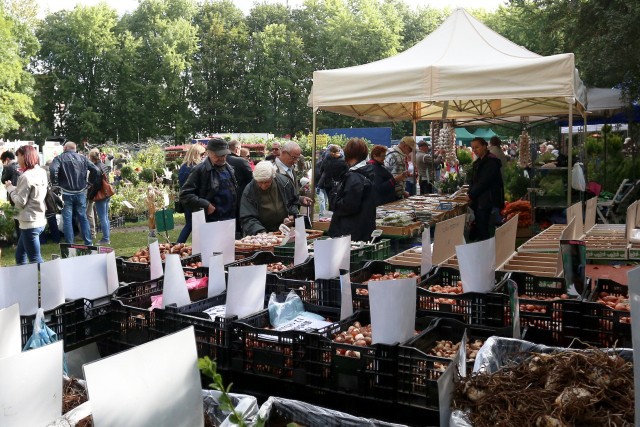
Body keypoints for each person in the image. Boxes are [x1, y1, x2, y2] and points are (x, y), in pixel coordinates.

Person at [49, 141, 101, 245]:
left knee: (67, 219)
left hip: (66, 192)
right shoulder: (83, 158)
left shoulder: (59, 158)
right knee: (83, 217)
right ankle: (88, 242)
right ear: (75, 148)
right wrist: (90, 183)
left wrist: (55, 184)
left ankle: (70, 245)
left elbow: (53, 169)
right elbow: (96, 170)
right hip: (80, 191)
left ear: (65, 148)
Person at [5, 145, 48, 264]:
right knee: (20, 257)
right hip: (38, 219)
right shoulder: (41, 171)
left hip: (30, 223)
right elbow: (31, 194)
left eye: (18, 156)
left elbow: (20, 202)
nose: (17, 159)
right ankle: (23, 281)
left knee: (35, 260)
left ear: (25, 157)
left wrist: (10, 189)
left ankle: (50, 280)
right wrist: (15, 189)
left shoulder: (26, 176)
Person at [328, 138, 376, 241]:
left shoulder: (354, 177)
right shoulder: (366, 172)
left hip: (350, 232)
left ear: (347, 153)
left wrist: (333, 196)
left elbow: (348, 206)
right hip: (361, 229)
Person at [179, 138, 238, 223]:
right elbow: (185, 194)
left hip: (230, 220)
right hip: (211, 221)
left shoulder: (230, 169)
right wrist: (206, 205)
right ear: (208, 153)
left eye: (224, 155)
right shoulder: (200, 170)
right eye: (217, 155)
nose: (221, 158)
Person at [239, 160, 299, 236]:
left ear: (273, 176)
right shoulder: (249, 191)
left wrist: (292, 215)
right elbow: (247, 217)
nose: (263, 186)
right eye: (260, 182)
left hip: (284, 230)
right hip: (261, 231)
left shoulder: (285, 182)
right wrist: (260, 232)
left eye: (267, 182)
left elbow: (293, 201)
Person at [467, 137, 505, 242]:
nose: (474, 150)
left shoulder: (491, 161)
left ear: (484, 146)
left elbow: (484, 182)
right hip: (481, 200)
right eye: (473, 148)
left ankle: (488, 250)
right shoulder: (479, 161)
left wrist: (471, 195)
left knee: (485, 228)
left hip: (488, 200)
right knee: (481, 227)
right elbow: (475, 181)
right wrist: (470, 192)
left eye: (477, 147)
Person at [176, 143, 206, 243]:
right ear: (196, 154)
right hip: (193, 199)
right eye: (202, 155)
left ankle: (181, 245)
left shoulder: (184, 166)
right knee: (191, 224)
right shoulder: (194, 168)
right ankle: (179, 244)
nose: (203, 157)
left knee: (191, 224)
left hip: (186, 199)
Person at [226, 139, 254, 236]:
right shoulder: (241, 161)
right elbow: (252, 180)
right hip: (239, 198)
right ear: (237, 149)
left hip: (221, 200)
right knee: (238, 227)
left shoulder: (221, 160)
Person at [274, 141, 313, 208]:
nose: (295, 161)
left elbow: (290, 195)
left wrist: (300, 199)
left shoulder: (291, 169)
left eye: (297, 158)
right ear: (284, 153)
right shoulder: (273, 171)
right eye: (293, 157)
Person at [86, 149, 112, 245]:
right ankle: (107, 236)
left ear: (91, 158)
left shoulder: (95, 168)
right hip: (106, 193)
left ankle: (106, 238)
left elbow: (95, 185)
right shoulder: (103, 165)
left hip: (100, 194)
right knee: (105, 217)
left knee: (102, 217)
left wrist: (90, 196)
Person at [318, 145, 348, 210]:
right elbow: (347, 172)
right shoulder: (343, 161)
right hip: (340, 183)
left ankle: (332, 215)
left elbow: (321, 171)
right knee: (338, 201)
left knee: (330, 200)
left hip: (328, 183)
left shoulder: (326, 159)